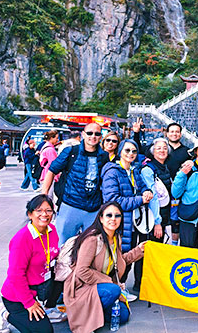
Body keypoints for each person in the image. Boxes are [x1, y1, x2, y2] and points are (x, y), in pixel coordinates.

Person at [64, 202, 145, 333]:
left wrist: (139, 250)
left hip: (101, 285)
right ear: (101, 218)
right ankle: (83, 314)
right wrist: (109, 281)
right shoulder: (92, 239)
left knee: (123, 316)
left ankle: (96, 312)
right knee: (113, 290)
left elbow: (120, 261)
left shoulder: (116, 238)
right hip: (83, 287)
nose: (113, 219)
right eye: (109, 215)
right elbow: (81, 271)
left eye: (117, 216)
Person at [0, 195, 59, 333]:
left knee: (64, 277)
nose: (44, 214)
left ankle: (46, 308)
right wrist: (29, 303)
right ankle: (5, 313)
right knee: (45, 331)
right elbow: (15, 275)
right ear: (30, 214)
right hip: (18, 296)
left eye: (48, 210)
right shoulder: (22, 239)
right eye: (39, 210)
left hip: (41, 286)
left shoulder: (51, 230)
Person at [41, 123, 109, 246]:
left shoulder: (104, 156)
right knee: (63, 245)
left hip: (93, 208)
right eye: (89, 133)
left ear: (100, 137)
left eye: (97, 134)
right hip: (70, 205)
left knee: (90, 247)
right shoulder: (71, 151)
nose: (93, 136)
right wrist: (44, 195)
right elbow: (52, 170)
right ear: (83, 134)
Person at [101, 139, 152, 292]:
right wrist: (140, 200)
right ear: (120, 152)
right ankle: (113, 290)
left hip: (133, 221)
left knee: (128, 256)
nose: (130, 154)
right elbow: (113, 200)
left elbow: (143, 186)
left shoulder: (134, 170)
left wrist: (147, 192)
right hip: (118, 223)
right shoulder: (112, 172)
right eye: (127, 150)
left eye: (134, 151)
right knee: (118, 257)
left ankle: (121, 289)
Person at [140, 138, 172, 244]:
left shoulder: (165, 167)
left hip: (163, 214)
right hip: (151, 218)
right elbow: (152, 197)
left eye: (164, 148)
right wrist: (156, 222)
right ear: (152, 152)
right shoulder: (148, 170)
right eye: (158, 148)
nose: (162, 150)